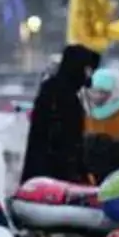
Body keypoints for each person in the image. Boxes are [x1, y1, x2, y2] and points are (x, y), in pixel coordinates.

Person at [21, 44, 99, 184]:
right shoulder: (63, 95)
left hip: (44, 173)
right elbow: (65, 140)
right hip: (54, 175)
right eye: (88, 70)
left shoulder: (57, 89)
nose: (89, 75)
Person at [83, 68, 119, 144]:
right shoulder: (84, 112)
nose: (97, 96)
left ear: (114, 92)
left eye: (102, 92)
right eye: (93, 91)